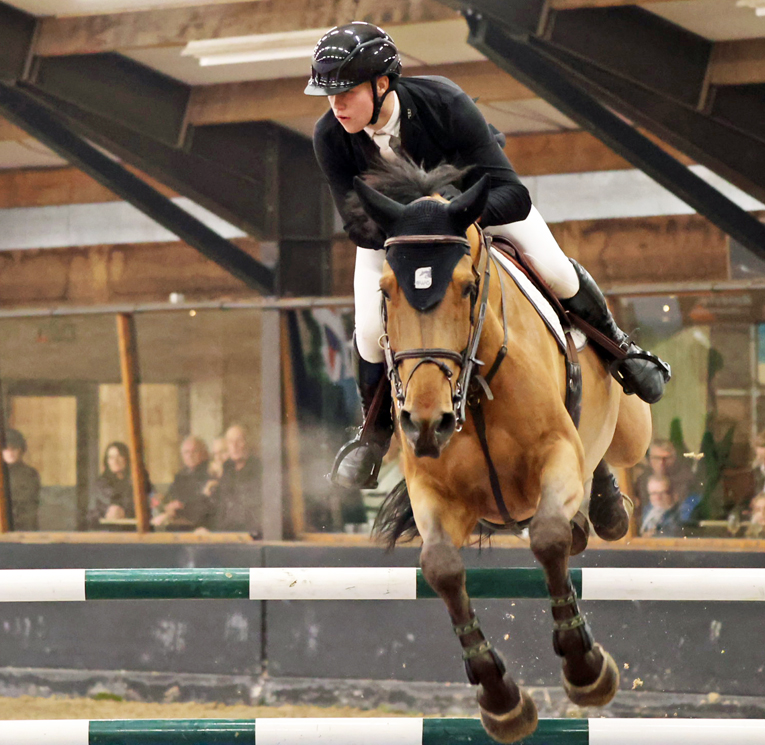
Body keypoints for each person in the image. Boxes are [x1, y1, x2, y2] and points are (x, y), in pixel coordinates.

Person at [304, 22, 671, 490]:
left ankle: (621, 350)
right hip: (392, 236)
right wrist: (418, 229)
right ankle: (372, 437)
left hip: (478, 210)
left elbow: (512, 194)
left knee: (555, 270)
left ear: (381, 84)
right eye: (328, 94)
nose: (336, 106)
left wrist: (451, 218)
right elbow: (356, 221)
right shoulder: (328, 136)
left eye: (346, 92)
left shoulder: (445, 104)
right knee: (372, 332)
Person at [154, 436, 215, 529]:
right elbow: (167, 499)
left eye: (194, 451)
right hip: (178, 525)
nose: (190, 455)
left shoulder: (210, 474)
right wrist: (166, 506)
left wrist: (181, 507)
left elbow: (204, 507)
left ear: (204, 454)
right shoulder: (180, 476)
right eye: (186, 452)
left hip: (200, 527)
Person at [211, 425, 262, 535]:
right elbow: (220, 508)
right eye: (230, 442)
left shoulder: (258, 469)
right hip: (225, 535)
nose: (234, 446)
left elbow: (245, 513)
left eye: (239, 441)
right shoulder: (227, 468)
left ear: (248, 442)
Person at [634, 439, 698, 525]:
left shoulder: (688, 481)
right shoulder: (641, 481)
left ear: (674, 458)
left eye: (667, 458)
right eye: (657, 458)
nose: (661, 463)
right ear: (649, 459)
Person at [90, 441, 152, 528]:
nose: (115, 461)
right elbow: (96, 511)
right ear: (107, 461)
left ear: (126, 458)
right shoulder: (101, 483)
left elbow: (149, 502)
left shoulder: (138, 479)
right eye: (111, 457)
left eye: (119, 456)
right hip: (109, 530)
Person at [2, 429, 40, 531]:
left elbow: (29, 505)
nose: (10, 453)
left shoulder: (29, 474)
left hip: (23, 527)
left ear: (21, 449)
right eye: (6, 449)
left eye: (14, 448)